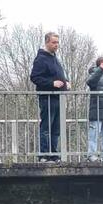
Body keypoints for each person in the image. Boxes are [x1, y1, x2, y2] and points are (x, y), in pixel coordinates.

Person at [29, 31, 69, 162]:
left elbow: (57, 75)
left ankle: (53, 153)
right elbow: (35, 77)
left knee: (56, 128)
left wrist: (65, 82)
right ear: (47, 42)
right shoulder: (41, 58)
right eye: (53, 42)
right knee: (46, 127)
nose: (56, 45)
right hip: (47, 98)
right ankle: (44, 155)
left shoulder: (54, 58)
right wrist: (52, 83)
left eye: (57, 42)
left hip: (58, 98)